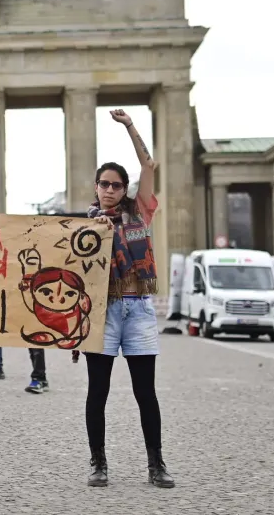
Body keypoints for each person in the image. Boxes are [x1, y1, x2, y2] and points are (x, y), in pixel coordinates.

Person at [82, 108, 174, 489]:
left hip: (137, 309)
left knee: (145, 392)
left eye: (116, 185)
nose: (109, 190)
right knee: (97, 391)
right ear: (96, 187)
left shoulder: (140, 213)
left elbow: (149, 163)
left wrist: (130, 126)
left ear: (125, 190)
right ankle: (99, 463)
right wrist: (95, 235)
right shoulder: (85, 226)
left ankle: (157, 465)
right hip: (102, 313)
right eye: (104, 184)